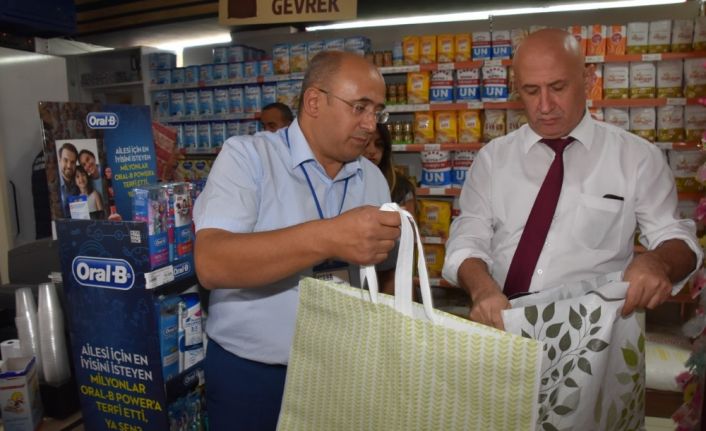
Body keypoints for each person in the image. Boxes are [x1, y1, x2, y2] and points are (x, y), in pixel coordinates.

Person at [442, 28, 702, 330]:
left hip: (592, 334)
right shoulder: (492, 159)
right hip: (502, 324)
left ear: (588, 79)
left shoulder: (636, 157)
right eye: (531, 91)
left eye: (558, 87)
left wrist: (659, 262)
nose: (545, 106)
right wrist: (482, 289)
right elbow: (467, 238)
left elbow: (676, 236)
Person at [193, 51, 400, 430]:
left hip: (340, 373)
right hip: (253, 376)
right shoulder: (248, 158)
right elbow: (212, 263)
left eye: (378, 112)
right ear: (314, 102)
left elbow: (383, 275)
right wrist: (329, 237)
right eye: (359, 107)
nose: (371, 125)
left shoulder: (372, 178)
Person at [364, 123, 417, 215]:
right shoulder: (343, 180)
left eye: (379, 144)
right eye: (365, 144)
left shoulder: (402, 187)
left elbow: (408, 223)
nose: (372, 151)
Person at [57, 142, 79, 216]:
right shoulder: (53, 184)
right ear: (60, 160)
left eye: (73, 162)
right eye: (65, 160)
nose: (69, 166)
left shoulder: (80, 181)